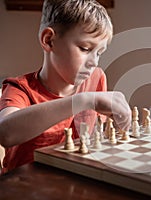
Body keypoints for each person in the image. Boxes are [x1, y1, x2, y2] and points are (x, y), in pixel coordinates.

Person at [0, 0, 131, 174]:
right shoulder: (19, 88)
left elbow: (95, 139)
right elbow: (6, 133)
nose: (94, 62)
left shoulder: (96, 79)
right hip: (25, 189)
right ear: (49, 40)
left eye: (99, 53)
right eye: (85, 48)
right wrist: (82, 101)